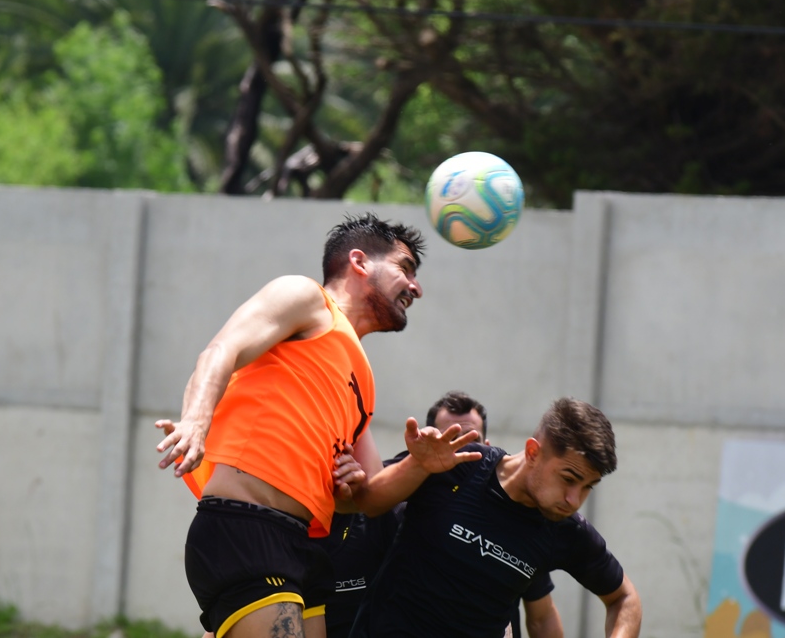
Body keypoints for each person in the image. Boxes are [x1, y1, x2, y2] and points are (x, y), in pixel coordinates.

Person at [154, 213, 481, 638]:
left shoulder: (363, 381)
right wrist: (197, 421)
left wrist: (417, 465)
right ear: (360, 262)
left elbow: (368, 499)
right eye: (405, 268)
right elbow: (222, 350)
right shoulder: (307, 298)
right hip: (248, 527)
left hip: (305, 548)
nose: (416, 287)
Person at [348, 397, 642, 638]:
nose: (574, 500)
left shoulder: (564, 529)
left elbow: (625, 599)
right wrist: (416, 466)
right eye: (569, 478)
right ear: (532, 452)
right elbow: (369, 504)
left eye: (588, 487)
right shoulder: (460, 464)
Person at [319, 391, 562, 638]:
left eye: (470, 439)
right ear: (423, 445)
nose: (454, 450)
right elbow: (364, 496)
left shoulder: (518, 521)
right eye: (448, 438)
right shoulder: (394, 508)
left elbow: (542, 616)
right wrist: (345, 487)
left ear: (489, 449)